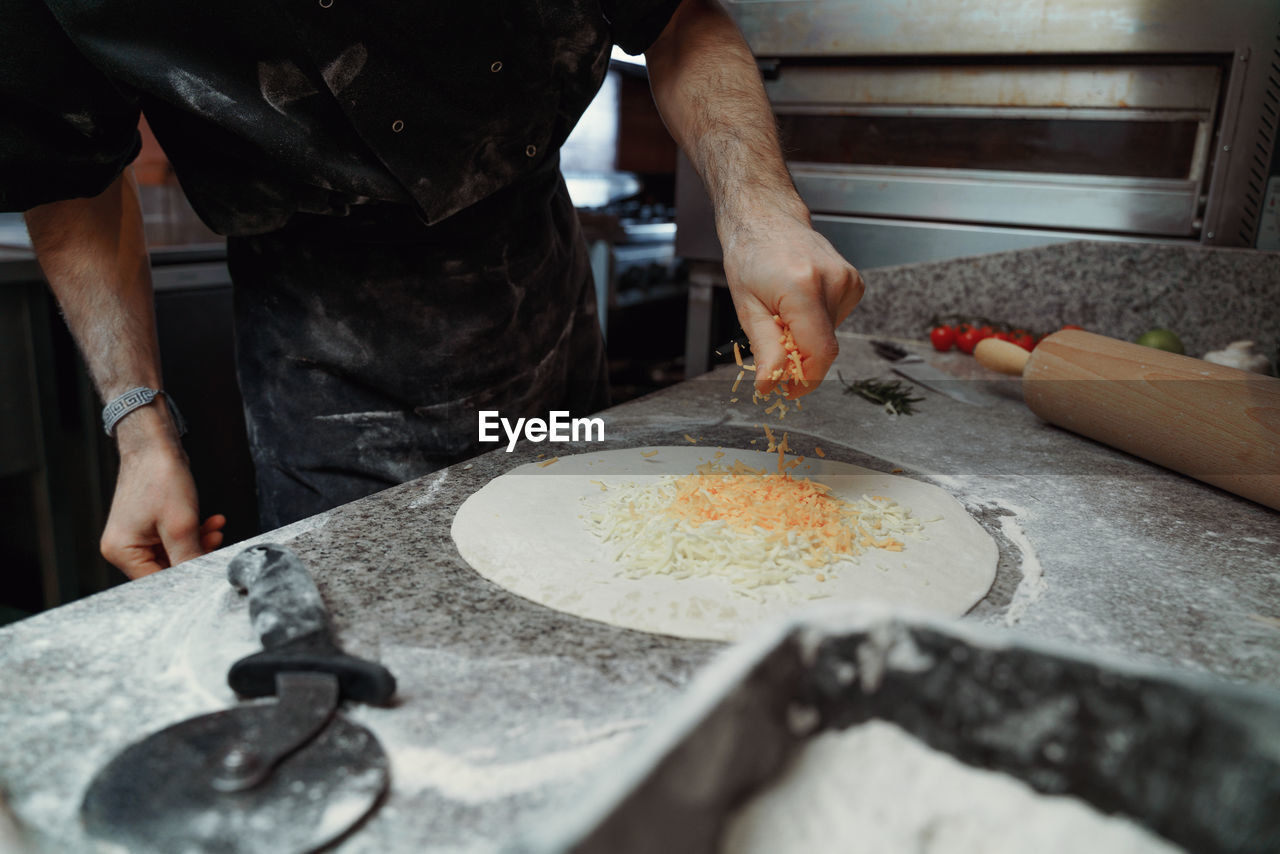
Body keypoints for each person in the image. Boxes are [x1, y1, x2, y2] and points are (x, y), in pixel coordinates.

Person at [1, 0, 864, 579]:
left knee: (603, 574)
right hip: (324, 365)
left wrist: (759, 210)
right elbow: (70, 171)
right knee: (387, 649)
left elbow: (674, 20)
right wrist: (141, 428)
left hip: (539, 294)